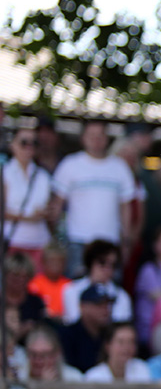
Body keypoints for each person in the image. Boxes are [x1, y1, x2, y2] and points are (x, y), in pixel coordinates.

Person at [50, 120, 140, 276]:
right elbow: (57, 205)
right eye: (92, 135)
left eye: (100, 135)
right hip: (77, 242)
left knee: (109, 294)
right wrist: (55, 239)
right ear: (83, 138)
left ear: (107, 138)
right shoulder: (70, 164)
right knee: (77, 292)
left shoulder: (120, 167)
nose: (96, 139)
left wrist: (126, 240)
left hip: (110, 243)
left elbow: (126, 207)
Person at [3, 126, 55, 265]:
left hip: (40, 243)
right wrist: (27, 217)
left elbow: (51, 208)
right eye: (24, 142)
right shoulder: (5, 173)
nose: (29, 147)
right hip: (12, 242)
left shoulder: (43, 176)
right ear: (12, 145)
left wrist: (47, 213)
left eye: (34, 143)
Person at [61, 239, 133, 326]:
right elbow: (74, 321)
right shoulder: (71, 290)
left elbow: (120, 329)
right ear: (91, 262)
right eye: (102, 262)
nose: (107, 268)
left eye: (113, 265)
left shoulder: (122, 297)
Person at [59, 284, 114, 373]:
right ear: (82, 306)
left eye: (107, 304)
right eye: (98, 304)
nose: (105, 309)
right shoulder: (67, 335)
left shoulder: (112, 334)